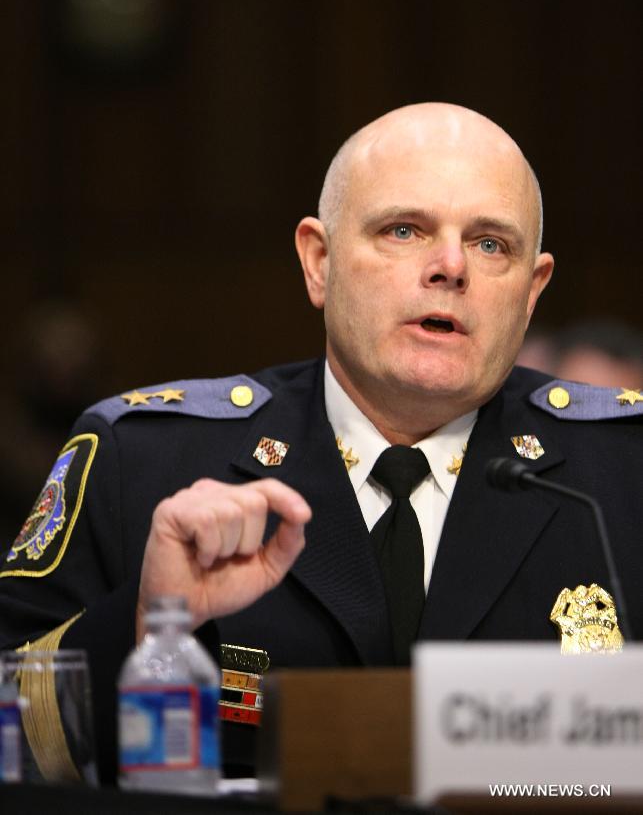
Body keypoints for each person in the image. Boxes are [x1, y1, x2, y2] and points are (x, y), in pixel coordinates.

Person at [1, 103, 641, 783]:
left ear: (531, 291)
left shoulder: (622, 470)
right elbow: (10, 735)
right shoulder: (146, 459)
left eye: (490, 245)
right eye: (404, 229)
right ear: (318, 261)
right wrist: (143, 622)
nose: (451, 267)